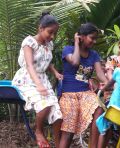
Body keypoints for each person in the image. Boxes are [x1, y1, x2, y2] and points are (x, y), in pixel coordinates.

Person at [12, 12, 63, 148]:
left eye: (55, 33)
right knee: (44, 104)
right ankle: (38, 131)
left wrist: (55, 72)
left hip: (42, 79)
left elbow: (47, 61)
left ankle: (59, 145)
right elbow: (29, 64)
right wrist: (39, 85)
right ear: (40, 28)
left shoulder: (49, 44)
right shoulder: (29, 42)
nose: (52, 36)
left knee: (58, 115)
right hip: (27, 79)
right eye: (50, 32)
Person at [59, 23, 108, 148]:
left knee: (98, 109)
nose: (95, 41)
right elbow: (75, 62)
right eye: (92, 38)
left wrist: (110, 84)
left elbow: (100, 74)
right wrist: (76, 43)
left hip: (85, 93)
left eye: (95, 38)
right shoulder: (68, 50)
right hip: (69, 94)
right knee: (68, 132)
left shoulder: (94, 55)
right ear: (82, 37)